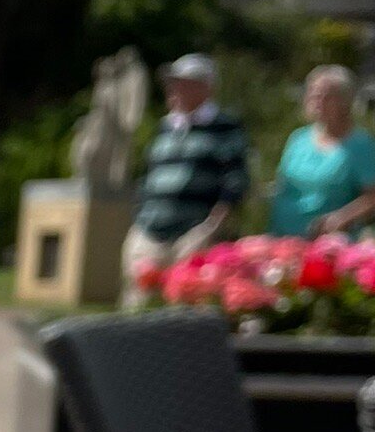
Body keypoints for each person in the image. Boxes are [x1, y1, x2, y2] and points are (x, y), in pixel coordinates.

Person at [121, 54, 250, 307]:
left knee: (186, 306)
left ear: (206, 88)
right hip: (149, 231)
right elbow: (149, 177)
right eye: (172, 83)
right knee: (138, 305)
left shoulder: (225, 127)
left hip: (194, 233)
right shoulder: (165, 127)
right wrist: (139, 219)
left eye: (182, 83)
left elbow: (235, 182)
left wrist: (212, 227)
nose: (173, 89)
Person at [269, 65, 375, 236]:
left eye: (326, 96)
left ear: (345, 101)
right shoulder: (298, 139)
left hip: (329, 240)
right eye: (313, 95)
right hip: (283, 237)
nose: (317, 101)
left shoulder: (360, 144)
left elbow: (371, 197)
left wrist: (342, 218)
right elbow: (281, 185)